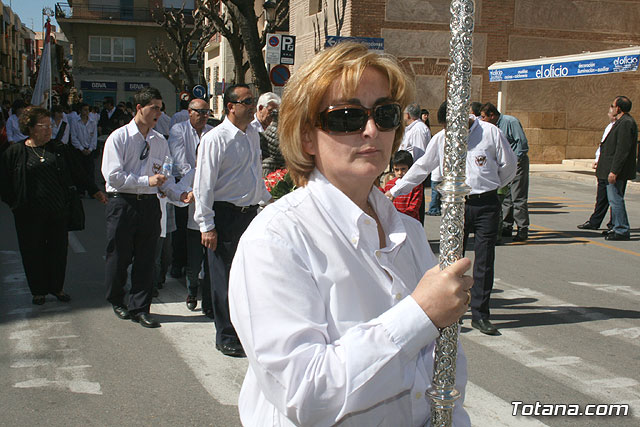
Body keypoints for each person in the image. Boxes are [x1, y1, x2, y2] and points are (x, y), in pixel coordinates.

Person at [228, 42, 473, 426]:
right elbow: (306, 394)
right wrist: (419, 313)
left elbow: (442, 368)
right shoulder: (276, 239)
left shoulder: (405, 231)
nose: (372, 130)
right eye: (347, 117)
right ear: (307, 137)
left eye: (385, 114)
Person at [387, 102, 517, 335]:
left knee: (484, 260)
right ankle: (454, 311)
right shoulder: (443, 138)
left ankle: (480, 314)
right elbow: (421, 167)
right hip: (457, 206)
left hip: (486, 203)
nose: (454, 131)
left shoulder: (490, 133)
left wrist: (490, 185)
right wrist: (395, 190)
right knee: (453, 260)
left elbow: (509, 165)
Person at [101, 87, 190, 328]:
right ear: (139, 108)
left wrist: (179, 193)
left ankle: (140, 306)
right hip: (123, 203)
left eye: (161, 109)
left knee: (147, 258)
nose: (158, 114)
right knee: (119, 256)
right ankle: (117, 299)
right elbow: (113, 176)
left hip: (150, 204)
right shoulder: (119, 138)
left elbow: (165, 176)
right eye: (154, 108)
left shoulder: (160, 141)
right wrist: (146, 181)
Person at [194, 84, 272, 357]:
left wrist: (268, 200)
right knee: (223, 278)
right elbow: (204, 184)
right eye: (247, 101)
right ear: (230, 107)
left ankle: (242, 330)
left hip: (248, 213)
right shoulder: (215, 139)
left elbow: (254, 174)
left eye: (253, 100)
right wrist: (207, 225)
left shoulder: (251, 134)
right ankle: (225, 334)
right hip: (224, 215)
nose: (253, 106)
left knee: (246, 276)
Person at [0, 106, 107, 305]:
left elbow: (78, 172)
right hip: (29, 214)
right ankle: (38, 291)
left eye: (50, 126)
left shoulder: (59, 149)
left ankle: (57, 287)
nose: (49, 130)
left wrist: (95, 190)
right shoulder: (15, 152)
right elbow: (5, 183)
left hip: (58, 211)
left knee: (58, 252)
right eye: (43, 126)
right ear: (30, 128)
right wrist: (15, 204)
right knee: (33, 251)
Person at [168, 98, 213, 313]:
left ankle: (210, 298)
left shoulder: (212, 133)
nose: (204, 116)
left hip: (214, 220)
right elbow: (179, 160)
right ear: (190, 112)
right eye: (200, 112)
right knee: (192, 257)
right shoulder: (179, 129)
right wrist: (190, 190)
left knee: (212, 260)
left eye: (207, 112)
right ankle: (191, 290)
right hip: (194, 218)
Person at [480, 102, 530, 242]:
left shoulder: (510, 122)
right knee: (506, 197)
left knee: (518, 197)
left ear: (492, 115)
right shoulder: (491, 127)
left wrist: (516, 161)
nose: (482, 120)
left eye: (484, 117)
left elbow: (522, 143)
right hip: (502, 165)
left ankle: (522, 228)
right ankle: (507, 226)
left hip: (516, 163)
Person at [596, 96, 637, 241]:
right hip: (610, 168)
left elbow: (622, 150)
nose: (610, 108)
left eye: (611, 105)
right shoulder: (620, 122)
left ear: (618, 108)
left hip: (615, 171)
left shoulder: (626, 123)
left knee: (616, 199)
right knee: (614, 199)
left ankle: (622, 230)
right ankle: (615, 226)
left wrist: (614, 171)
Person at [577, 110, 616, 231]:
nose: (608, 114)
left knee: (614, 199)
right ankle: (595, 221)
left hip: (611, 167)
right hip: (603, 165)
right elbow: (603, 145)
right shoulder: (609, 127)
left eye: (610, 111)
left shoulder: (622, 126)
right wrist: (597, 158)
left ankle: (614, 224)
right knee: (602, 197)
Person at [383, 150, 423, 221]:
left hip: (410, 223)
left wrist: (398, 216)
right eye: (396, 170)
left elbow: (413, 209)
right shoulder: (389, 185)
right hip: (393, 223)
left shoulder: (415, 186)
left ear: (410, 168)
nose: (400, 173)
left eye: (403, 169)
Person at [70, 103, 98, 195]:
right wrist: (81, 148)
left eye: (88, 110)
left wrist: (90, 149)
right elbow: (74, 137)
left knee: (90, 171)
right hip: (79, 149)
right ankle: (81, 190)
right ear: (80, 110)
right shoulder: (75, 121)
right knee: (79, 171)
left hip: (89, 149)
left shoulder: (92, 122)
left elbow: (94, 137)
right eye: (84, 110)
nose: (86, 112)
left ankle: (92, 191)